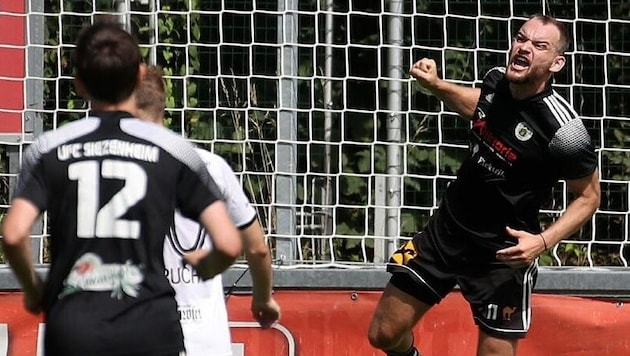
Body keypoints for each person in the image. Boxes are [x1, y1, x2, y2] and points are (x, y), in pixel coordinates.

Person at [1, 21, 243, 356]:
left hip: (74, 327)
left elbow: (13, 234)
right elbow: (230, 243)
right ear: (135, 78)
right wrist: (207, 265)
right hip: (151, 326)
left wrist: (32, 289)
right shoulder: (173, 149)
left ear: (79, 84)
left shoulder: (50, 147)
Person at [368, 14, 600, 356]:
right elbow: (479, 105)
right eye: (521, 38)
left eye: (539, 46)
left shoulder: (564, 131)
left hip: (502, 256)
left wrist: (542, 241)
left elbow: (589, 197)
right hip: (446, 233)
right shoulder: (496, 82)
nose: (524, 48)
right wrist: (437, 85)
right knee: (383, 334)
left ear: (556, 63)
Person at [134, 65, 281, 356]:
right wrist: (262, 299)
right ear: (163, 106)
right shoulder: (210, 166)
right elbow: (258, 249)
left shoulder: (108, 170)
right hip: (205, 342)